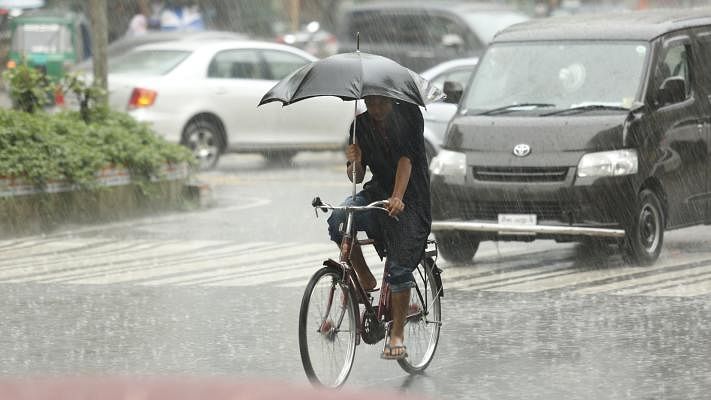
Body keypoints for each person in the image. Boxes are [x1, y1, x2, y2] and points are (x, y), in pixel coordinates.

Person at [327, 95, 431, 360]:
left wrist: (397, 197)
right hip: (377, 192)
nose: (376, 109)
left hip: (411, 198)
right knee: (339, 219)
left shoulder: (409, 115)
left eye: (381, 103)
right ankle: (365, 277)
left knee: (398, 268)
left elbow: (406, 161)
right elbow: (356, 177)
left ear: (391, 99)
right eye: (370, 103)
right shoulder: (359, 125)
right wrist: (355, 162)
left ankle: (397, 335)